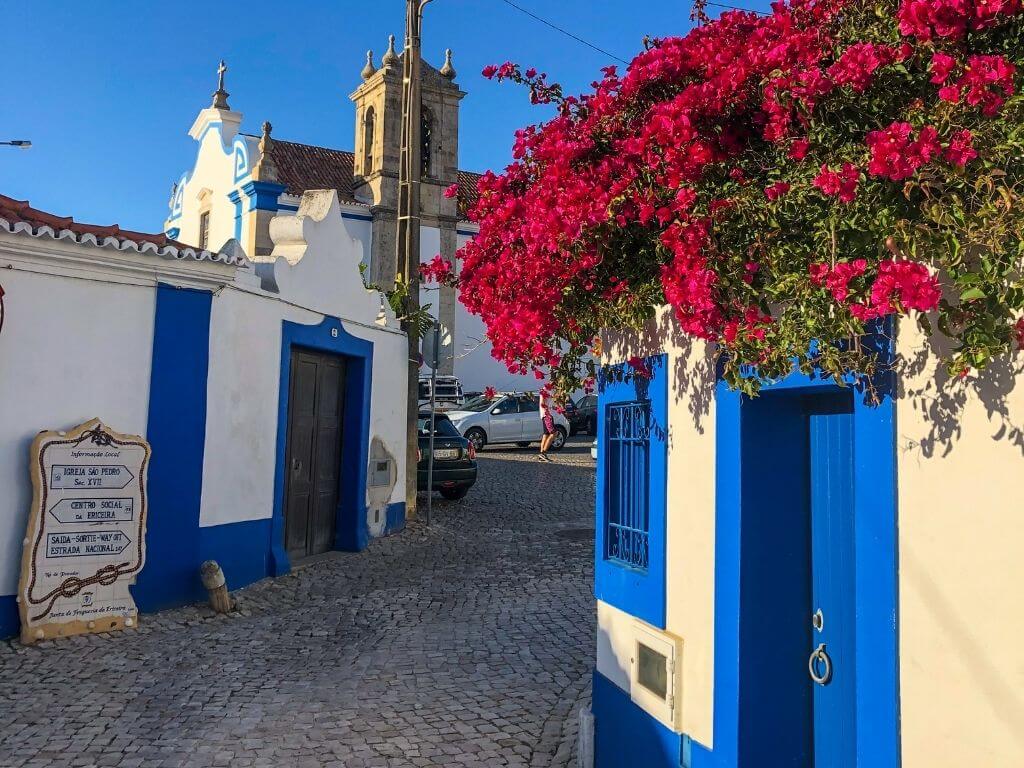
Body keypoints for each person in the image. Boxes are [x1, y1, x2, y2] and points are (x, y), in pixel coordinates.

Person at [538, 391, 557, 462]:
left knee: (546, 434)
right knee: (554, 433)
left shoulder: (550, 390)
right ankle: (543, 453)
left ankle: (541, 454)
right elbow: (542, 404)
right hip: (546, 415)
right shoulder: (544, 391)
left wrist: (555, 408)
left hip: (547, 415)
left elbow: (548, 404)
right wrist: (548, 409)